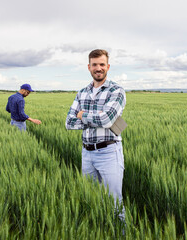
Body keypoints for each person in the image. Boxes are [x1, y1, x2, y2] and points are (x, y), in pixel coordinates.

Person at [65, 49, 126, 222]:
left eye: (101, 64)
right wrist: (96, 116)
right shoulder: (82, 92)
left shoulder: (116, 91)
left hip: (109, 152)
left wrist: (82, 114)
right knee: (91, 198)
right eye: (94, 65)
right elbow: (69, 123)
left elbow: (107, 119)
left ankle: (120, 234)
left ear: (108, 66)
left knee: (114, 203)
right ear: (88, 67)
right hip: (87, 153)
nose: (98, 68)